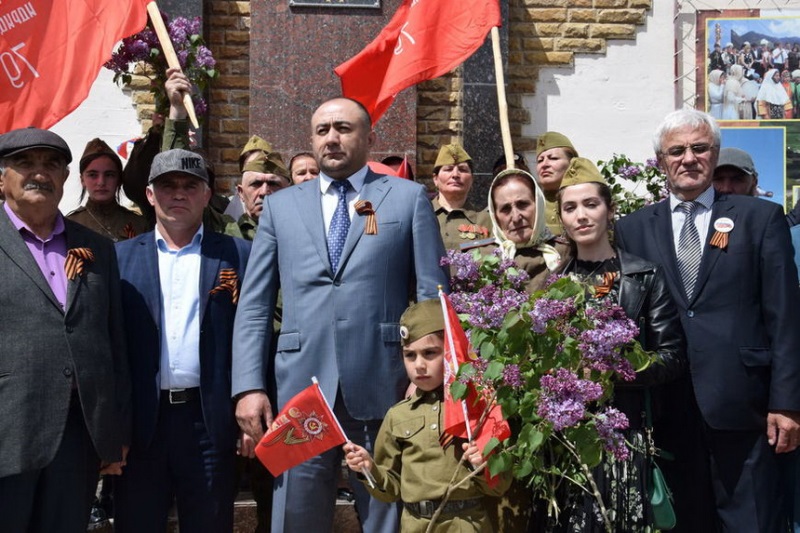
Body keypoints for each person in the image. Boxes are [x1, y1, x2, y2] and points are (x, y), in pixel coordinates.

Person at [231, 97, 449, 533]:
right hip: (301, 391)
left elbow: (431, 294)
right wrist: (249, 386)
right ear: (312, 141)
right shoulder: (281, 207)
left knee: (387, 516)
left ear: (369, 137)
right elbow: (255, 305)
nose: (332, 137)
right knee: (296, 516)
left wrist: (429, 373)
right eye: (323, 130)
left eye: (344, 128)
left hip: (385, 386)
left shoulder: (406, 200)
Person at [615, 109, 800, 532]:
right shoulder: (633, 229)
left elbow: (785, 316)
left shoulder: (760, 219)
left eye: (699, 148)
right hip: (669, 411)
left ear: (714, 155)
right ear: (661, 161)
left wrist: (787, 403)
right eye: (676, 151)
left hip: (747, 408)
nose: (688, 158)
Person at [113, 149, 251, 532]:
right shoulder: (119, 259)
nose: (179, 194)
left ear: (207, 195)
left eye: (190, 185)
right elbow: (110, 347)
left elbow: (254, 338)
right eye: (167, 186)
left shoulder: (239, 255)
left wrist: (249, 410)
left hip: (209, 423)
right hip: (142, 426)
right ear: (150, 195)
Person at [0, 128, 130, 532]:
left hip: (78, 435)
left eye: (51, 164)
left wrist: (115, 429)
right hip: (7, 429)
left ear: (65, 177)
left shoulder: (97, 248)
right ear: (1, 177)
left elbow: (114, 341)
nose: (40, 173)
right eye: (26, 163)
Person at [548, 157, 686, 531]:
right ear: (561, 218)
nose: (581, 215)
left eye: (591, 204)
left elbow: (672, 356)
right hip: (568, 437)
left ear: (610, 210)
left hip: (626, 435)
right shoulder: (552, 285)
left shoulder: (644, 275)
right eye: (570, 208)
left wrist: (615, 370)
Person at [344, 299, 511, 532]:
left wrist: (483, 465)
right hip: (416, 525)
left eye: (430, 353)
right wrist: (368, 467)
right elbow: (390, 490)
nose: (419, 365)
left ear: (450, 352)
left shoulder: (476, 407)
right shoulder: (398, 415)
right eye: (410, 355)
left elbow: (499, 487)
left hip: (466, 524)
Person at [487, 168, 569, 293]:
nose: (516, 217)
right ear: (495, 216)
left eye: (522, 204)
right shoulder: (484, 259)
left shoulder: (567, 253)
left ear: (539, 205)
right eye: (505, 209)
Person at [67, 138, 150, 242]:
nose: (101, 182)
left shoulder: (139, 224)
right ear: (82, 180)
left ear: (119, 179)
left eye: (109, 175)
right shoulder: (69, 225)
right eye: (93, 175)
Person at [431, 143, 491, 251]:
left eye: (462, 170)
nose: (455, 175)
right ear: (435, 179)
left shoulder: (486, 220)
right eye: (448, 169)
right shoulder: (421, 215)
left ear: (472, 179)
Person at [236, 140, 291, 240]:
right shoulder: (227, 232)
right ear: (241, 192)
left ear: (288, 191)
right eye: (256, 184)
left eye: (273, 184)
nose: (264, 192)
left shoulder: (302, 233)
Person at [535, 132, 578, 235]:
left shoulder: (587, 201)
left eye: (553, 158)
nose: (544, 165)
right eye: (540, 160)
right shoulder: (531, 206)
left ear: (571, 163)